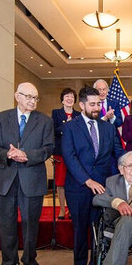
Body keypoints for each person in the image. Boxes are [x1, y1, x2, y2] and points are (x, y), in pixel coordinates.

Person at [0, 83, 54, 265]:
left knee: (30, 224)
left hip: (32, 178)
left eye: (35, 98)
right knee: (7, 223)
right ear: (17, 96)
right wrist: (9, 154)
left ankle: (30, 264)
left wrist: (26, 155)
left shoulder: (44, 121)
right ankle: (9, 264)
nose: (32, 101)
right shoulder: (1, 118)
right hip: (7, 178)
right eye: (28, 97)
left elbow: (48, 148)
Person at [62, 87, 125, 265]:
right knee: (80, 227)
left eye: (98, 104)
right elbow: (69, 157)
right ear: (81, 105)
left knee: (99, 227)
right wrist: (87, 181)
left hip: (103, 188)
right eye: (92, 104)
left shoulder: (108, 127)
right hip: (79, 187)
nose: (97, 108)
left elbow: (119, 152)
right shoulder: (71, 127)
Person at [52, 88, 81, 218]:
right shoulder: (56, 113)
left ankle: (72, 209)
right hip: (60, 153)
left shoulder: (79, 115)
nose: (69, 99)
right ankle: (62, 210)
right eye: (67, 96)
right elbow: (53, 131)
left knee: (74, 181)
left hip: (75, 154)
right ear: (62, 99)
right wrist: (67, 126)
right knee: (60, 182)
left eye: (72, 97)